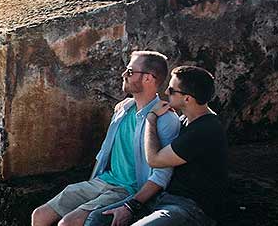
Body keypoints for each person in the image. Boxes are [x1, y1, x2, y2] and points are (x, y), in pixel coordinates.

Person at [32, 51, 181, 226]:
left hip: (128, 190)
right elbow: (104, 153)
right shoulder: (123, 109)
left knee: (68, 223)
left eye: (130, 72)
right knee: (40, 215)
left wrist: (132, 205)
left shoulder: (166, 119)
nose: (123, 75)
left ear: (148, 78)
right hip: (103, 181)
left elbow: (162, 175)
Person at [86, 66, 227, 226]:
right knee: (99, 218)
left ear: (187, 99)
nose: (166, 92)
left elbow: (154, 160)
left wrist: (150, 118)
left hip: (190, 208)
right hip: (161, 198)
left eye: (172, 90)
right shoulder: (185, 121)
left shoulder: (205, 130)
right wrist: (133, 101)